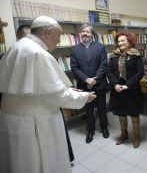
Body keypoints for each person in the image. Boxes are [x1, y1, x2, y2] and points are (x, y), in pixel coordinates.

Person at [0, 16, 96, 173]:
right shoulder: (37, 53)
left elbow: (35, 89)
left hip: (13, 119)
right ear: (49, 32)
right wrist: (85, 97)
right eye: (59, 35)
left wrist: (68, 90)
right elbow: (56, 95)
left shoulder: (16, 48)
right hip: (34, 122)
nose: (59, 40)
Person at [70, 24, 109, 143]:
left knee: (102, 107)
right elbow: (74, 67)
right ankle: (90, 130)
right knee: (89, 109)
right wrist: (87, 80)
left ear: (92, 34)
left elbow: (104, 64)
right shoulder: (75, 49)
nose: (85, 33)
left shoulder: (100, 47)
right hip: (84, 85)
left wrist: (94, 80)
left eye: (88, 31)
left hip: (99, 83)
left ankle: (104, 128)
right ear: (81, 34)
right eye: (83, 31)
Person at [106, 31, 144, 148]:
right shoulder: (113, 55)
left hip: (131, 89)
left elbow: (139, 73)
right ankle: (124, 133)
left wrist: (128, 85)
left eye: (123, 40)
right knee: (121, 113)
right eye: (119, 41)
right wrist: (115, 84)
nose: (120, 43)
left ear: (129, 42)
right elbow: (109, 72)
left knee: (134, 114)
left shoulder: (136, 55)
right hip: (118, 90)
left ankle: (137, 135)